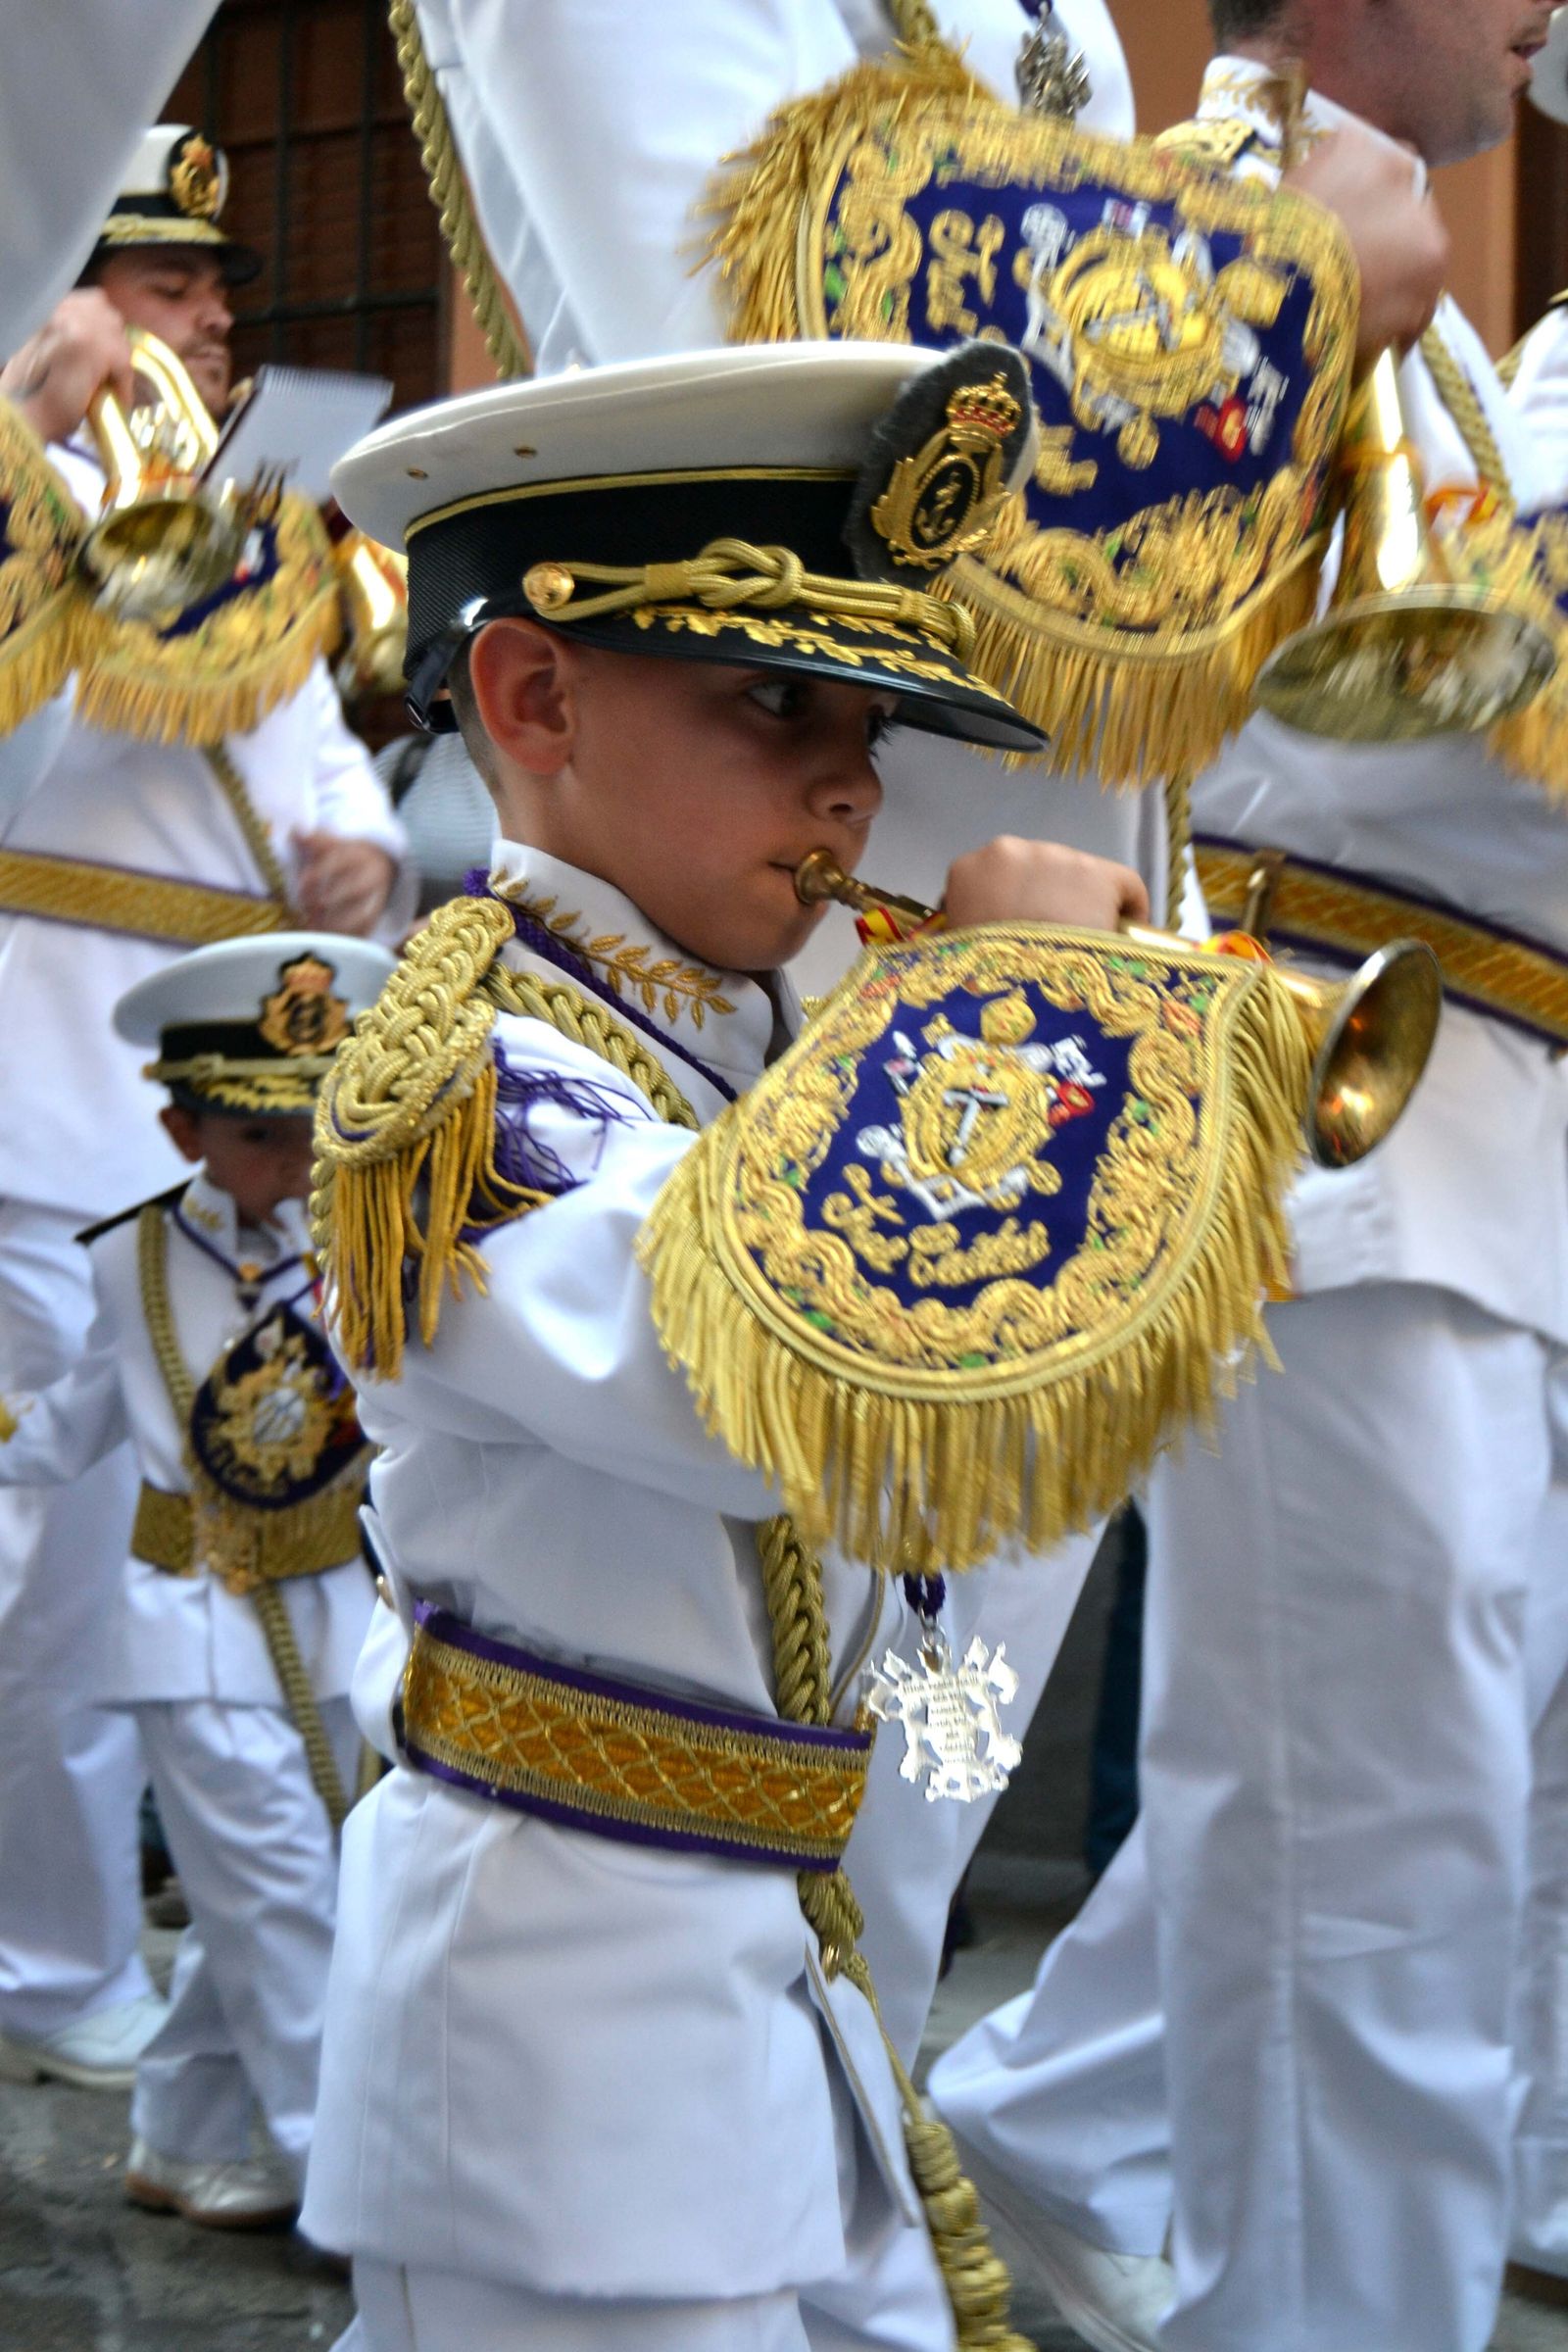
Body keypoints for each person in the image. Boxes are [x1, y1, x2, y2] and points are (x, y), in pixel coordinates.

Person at [392, 0, 1451, 2071]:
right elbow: (807, 400)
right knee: (772, 1807)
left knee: (914, 1782)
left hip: (1021, 1033)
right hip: (859, 1054)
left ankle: (845, 2179)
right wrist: (1273, 289)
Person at [295, 328, 1243, 2351]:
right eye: (770, 698)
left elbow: (931, 1573)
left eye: (868, 721)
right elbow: (757, 1382)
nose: (848, 781)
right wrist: (1010, 1035)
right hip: (566, 2056)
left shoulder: (744, 1054)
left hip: (781, 1995)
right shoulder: (459, 1073)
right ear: (532, 696)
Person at [929, 10, 1568, 2351]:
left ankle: (1030, 2140)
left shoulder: (1462, 345)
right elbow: (1325, 724)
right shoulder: (1206, 238)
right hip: (1341, 1140)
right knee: (1360, 1871)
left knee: (1390, 1816)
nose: (1527, 19)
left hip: (1494, 1162)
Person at [0, 125, 409, 2094]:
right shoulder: (25, 461)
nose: (215, 318)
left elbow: (312, 750)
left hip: (226, 1115)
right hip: (33, 1087)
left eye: (211, 291)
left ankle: (148, 2009)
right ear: (71, 295)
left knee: (196, 1573)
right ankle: (51, 1964)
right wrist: (19, 431)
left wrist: (355, 860)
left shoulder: (235, 519)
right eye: (170, 286)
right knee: (42, 1583)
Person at [0, 929, 391, 2226]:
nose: (295, 1164)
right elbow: (64, 1427)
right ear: (184, 1134)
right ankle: (339, 2186)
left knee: (295, 1893)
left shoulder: (370, 1249)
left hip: (338, 1615)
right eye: (259, 1133)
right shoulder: (129, 1262)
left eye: (315, 1129)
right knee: (282, 1903)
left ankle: (182, 2135)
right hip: (192, 1625)